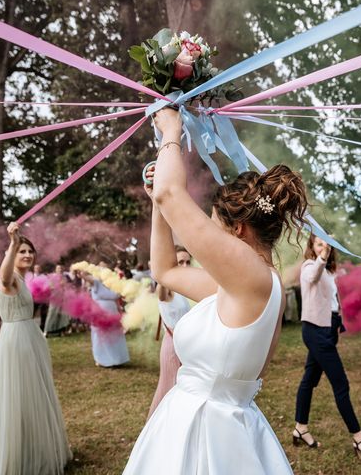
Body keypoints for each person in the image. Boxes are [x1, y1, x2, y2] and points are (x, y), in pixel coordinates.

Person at [123, 109, 307, 474]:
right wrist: (157, 206)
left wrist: (171, 131)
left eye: (213, 224)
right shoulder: (245, 285)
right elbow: (166, 270)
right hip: (189, 418)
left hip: (210, 432)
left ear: (238, 231)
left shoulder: (252, 277)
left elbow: (173, 193)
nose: (205, 233)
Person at [0, 222, 72, 474]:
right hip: (16, 341)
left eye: (29, 252)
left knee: (36, 393)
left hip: (31, 338)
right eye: (22, 252)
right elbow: (2, 275)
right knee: (20, 395)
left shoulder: (23, 280)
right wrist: (13, 242)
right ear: (12, 255)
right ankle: (18, 454)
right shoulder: (9, 279)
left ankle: (38, 448)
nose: (27, 255)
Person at [293, 234, 361, 463]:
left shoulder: (330, 272)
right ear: (312, 248)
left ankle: (300, 428)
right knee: (340, 383)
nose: (324, 247)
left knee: (309, 378)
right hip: (315, 331)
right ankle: (359, 438)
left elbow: (332, 303)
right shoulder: (309, 266)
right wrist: (322, 257)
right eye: (319, 244)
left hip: (328, 329)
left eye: (327, 244)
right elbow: (312, 276)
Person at [147, 246, 192, 417]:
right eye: (181, 262)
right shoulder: (165, 289)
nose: (186, 266)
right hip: (173, 346)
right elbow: (160, 280)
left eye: (188, 262)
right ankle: (157, 426)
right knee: (169, 387)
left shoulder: (183, 287)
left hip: (185, 347)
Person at [80, 265, 130, 367]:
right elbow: (84, 275)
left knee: (115, 335)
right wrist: (86, 269)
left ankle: (117, 359)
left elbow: (117, 297)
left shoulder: (113, 283)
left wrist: (120, 311)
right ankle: (102, 359)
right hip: (99, 311)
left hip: (112, 311)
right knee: (100, 335)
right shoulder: (96, 281)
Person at [43, 265, 71, 337]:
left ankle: (61, 331)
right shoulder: (52, 277)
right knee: (51, 314)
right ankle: (46, 331)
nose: (60, 269)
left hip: (63, 297)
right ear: (56, 269)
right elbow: (50, 287)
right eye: (58, 268)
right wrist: (58, 285)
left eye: (61, 268)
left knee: (62, 315)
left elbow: (67, 287)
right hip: (54, 297)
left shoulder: (64, 277)